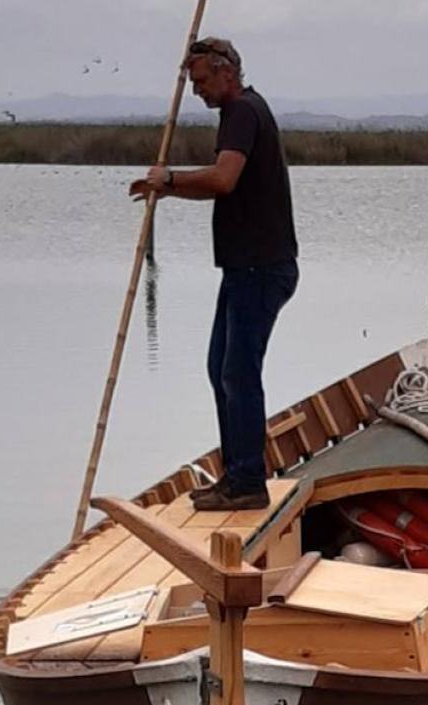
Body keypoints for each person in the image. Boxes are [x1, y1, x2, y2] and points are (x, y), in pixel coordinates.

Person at [130, 37, 299, 512]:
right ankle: (236, 475)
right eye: (193, 83)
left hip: (261, 268)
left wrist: (170, 181)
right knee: (220, 368)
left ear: (227, 72)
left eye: (202, 81)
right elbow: (221, 184)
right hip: (245, 268)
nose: (197, 92)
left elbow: (224, 180)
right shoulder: (238, 112)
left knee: (238, 371)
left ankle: (247, 482)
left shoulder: (244, 111)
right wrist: (167, 188)